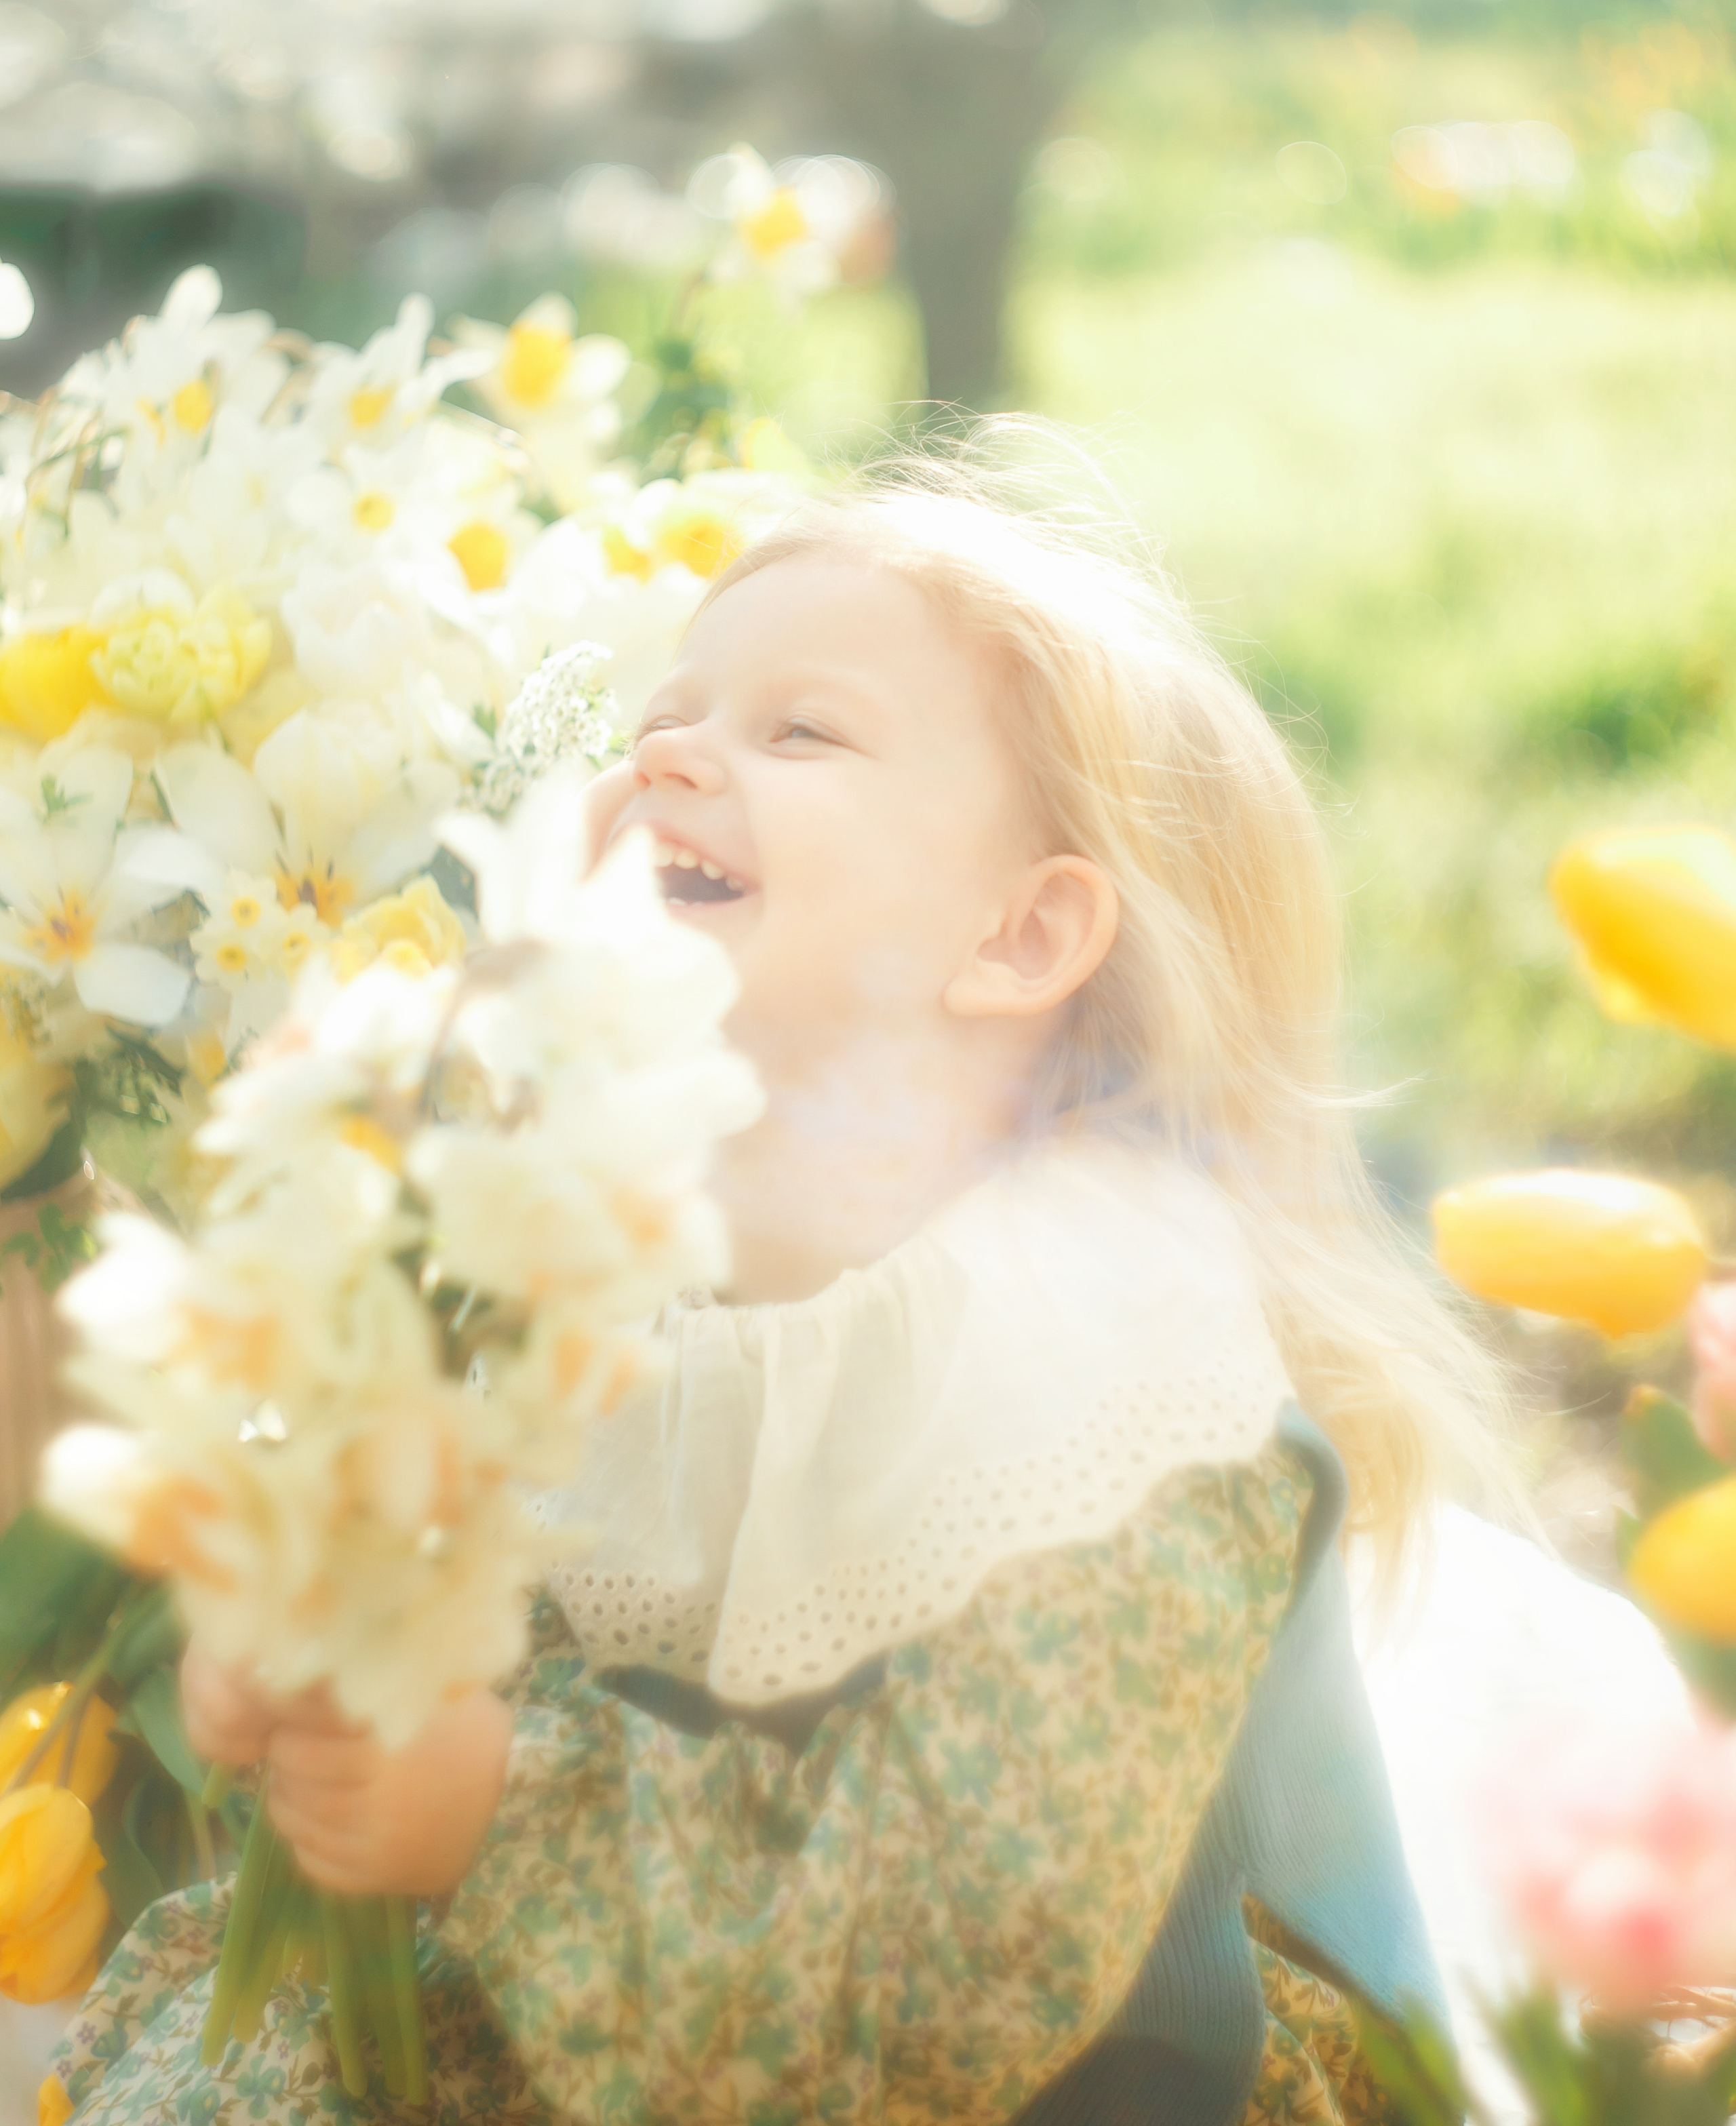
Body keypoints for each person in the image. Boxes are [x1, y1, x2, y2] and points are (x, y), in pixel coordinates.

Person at [45, 460, 1516, 2126]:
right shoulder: (578, 1225)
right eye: (668, 716)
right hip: (606, 2017)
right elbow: (467, 1599)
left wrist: (484, 1809)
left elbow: (963, 1969)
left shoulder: (1099, 1364)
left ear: (1024, 938)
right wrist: (317, 1656)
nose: (667, 753)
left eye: (798, 733)